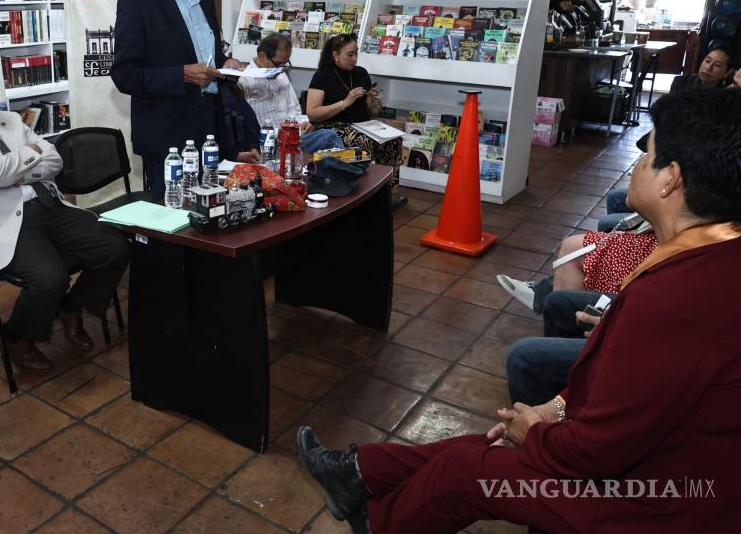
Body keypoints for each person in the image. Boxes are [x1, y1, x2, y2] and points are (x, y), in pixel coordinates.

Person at [297, 86, 741, 533]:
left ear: (672, 179)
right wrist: (556, 410)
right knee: (476, 448)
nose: (639, 161)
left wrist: (537, 433)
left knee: (467, 471)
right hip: (663, 469)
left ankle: (375, 520)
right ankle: (358, 474)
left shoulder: (680, 296)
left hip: (664, 499)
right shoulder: (707, 258)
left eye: (651, 154)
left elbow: (602, 450)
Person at [0, 51, 129, 371]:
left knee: (114, 247)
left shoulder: (9, 119)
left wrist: (12, 169)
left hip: (48, 205)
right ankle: (15, 336)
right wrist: (28, 156)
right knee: (50, 277)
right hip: (2, 221)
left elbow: (54, 161)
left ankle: (71, 308)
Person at [112, 0, 243, 200]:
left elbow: (210, 55)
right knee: (175, 225)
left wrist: (226, 63)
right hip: (167, 135)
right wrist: (182, 74)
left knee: (212, 212)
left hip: (210, 126)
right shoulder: (137, 2)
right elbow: (124, 74)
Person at [305, 34, 406, 206]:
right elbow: (313, 113)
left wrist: (374, 102)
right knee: (363, 143)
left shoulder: (360, 73)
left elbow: (373, 111)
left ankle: (388, 194)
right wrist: (345, 103)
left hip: (363, 124)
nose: (354, 59)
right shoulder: (322, 76)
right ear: (336, 55)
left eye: (356, 54)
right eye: (349, 55)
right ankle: (362, 198)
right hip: (333, 125)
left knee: (393, 141)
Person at [236, 34, 344, 154]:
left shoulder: (281, 75)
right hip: (269, 141)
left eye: (285, 64)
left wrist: (304, 122)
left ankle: (347, 168)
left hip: (293, 136)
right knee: (329, 138)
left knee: (329, 140)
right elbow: (245, 125)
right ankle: (352, 169)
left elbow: (295, 109)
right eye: (278, 64)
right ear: (262, 56)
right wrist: (280, 132)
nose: (281, 69)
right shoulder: (244, 81)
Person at [669, 46, 735, 92]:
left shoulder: (728, 93)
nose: (708, 68)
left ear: (727, 72)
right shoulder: (680, 82)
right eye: (707, 61)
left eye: (717, 65)